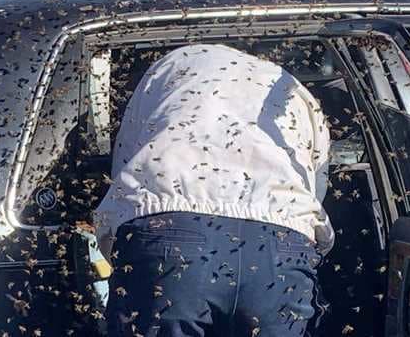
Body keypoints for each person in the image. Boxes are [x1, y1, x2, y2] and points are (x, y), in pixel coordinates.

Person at [94, 43, 333, 337]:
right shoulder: (291, 89)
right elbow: (315, 182)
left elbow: (127, 169)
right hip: (282, 242)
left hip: (170, 232)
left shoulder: (170, 67)